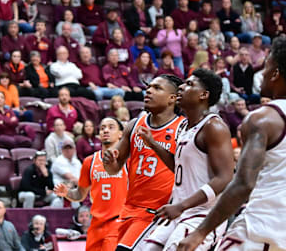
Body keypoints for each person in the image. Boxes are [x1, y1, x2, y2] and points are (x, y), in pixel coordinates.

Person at [178, 36, 286, 251]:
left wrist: (200, 232)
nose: (262, 73)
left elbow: (243, 184)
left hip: (260, 227)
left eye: (266, 67)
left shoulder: (263, 118)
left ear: (275, 74)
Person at [137, 70, 234, 251]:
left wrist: (181, 206)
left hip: (203, 214)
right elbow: (179, 166)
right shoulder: (184, 125)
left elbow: (225, 178)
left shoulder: (214, 127)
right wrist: (152, 143)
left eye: (189, 84)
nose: (181, 87)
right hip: (180, 211)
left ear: (203, 95)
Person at [102, 75, 186, 250]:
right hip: (129, 208)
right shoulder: (135, 124)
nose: (148, 91)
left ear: (173, 98)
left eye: (157, 88)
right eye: (149, 87)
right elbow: (113, 169)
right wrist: (109, 160)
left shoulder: (183, 129)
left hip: (156, 212)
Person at [55, 116, 128, 251]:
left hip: (118, 221)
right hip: (96, 224)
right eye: (102, 128)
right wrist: (67, 193)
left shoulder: (128, 160)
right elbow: (80, 194)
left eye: (111, 127)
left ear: (120, 134)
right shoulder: (90, 161)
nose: (105, 130)